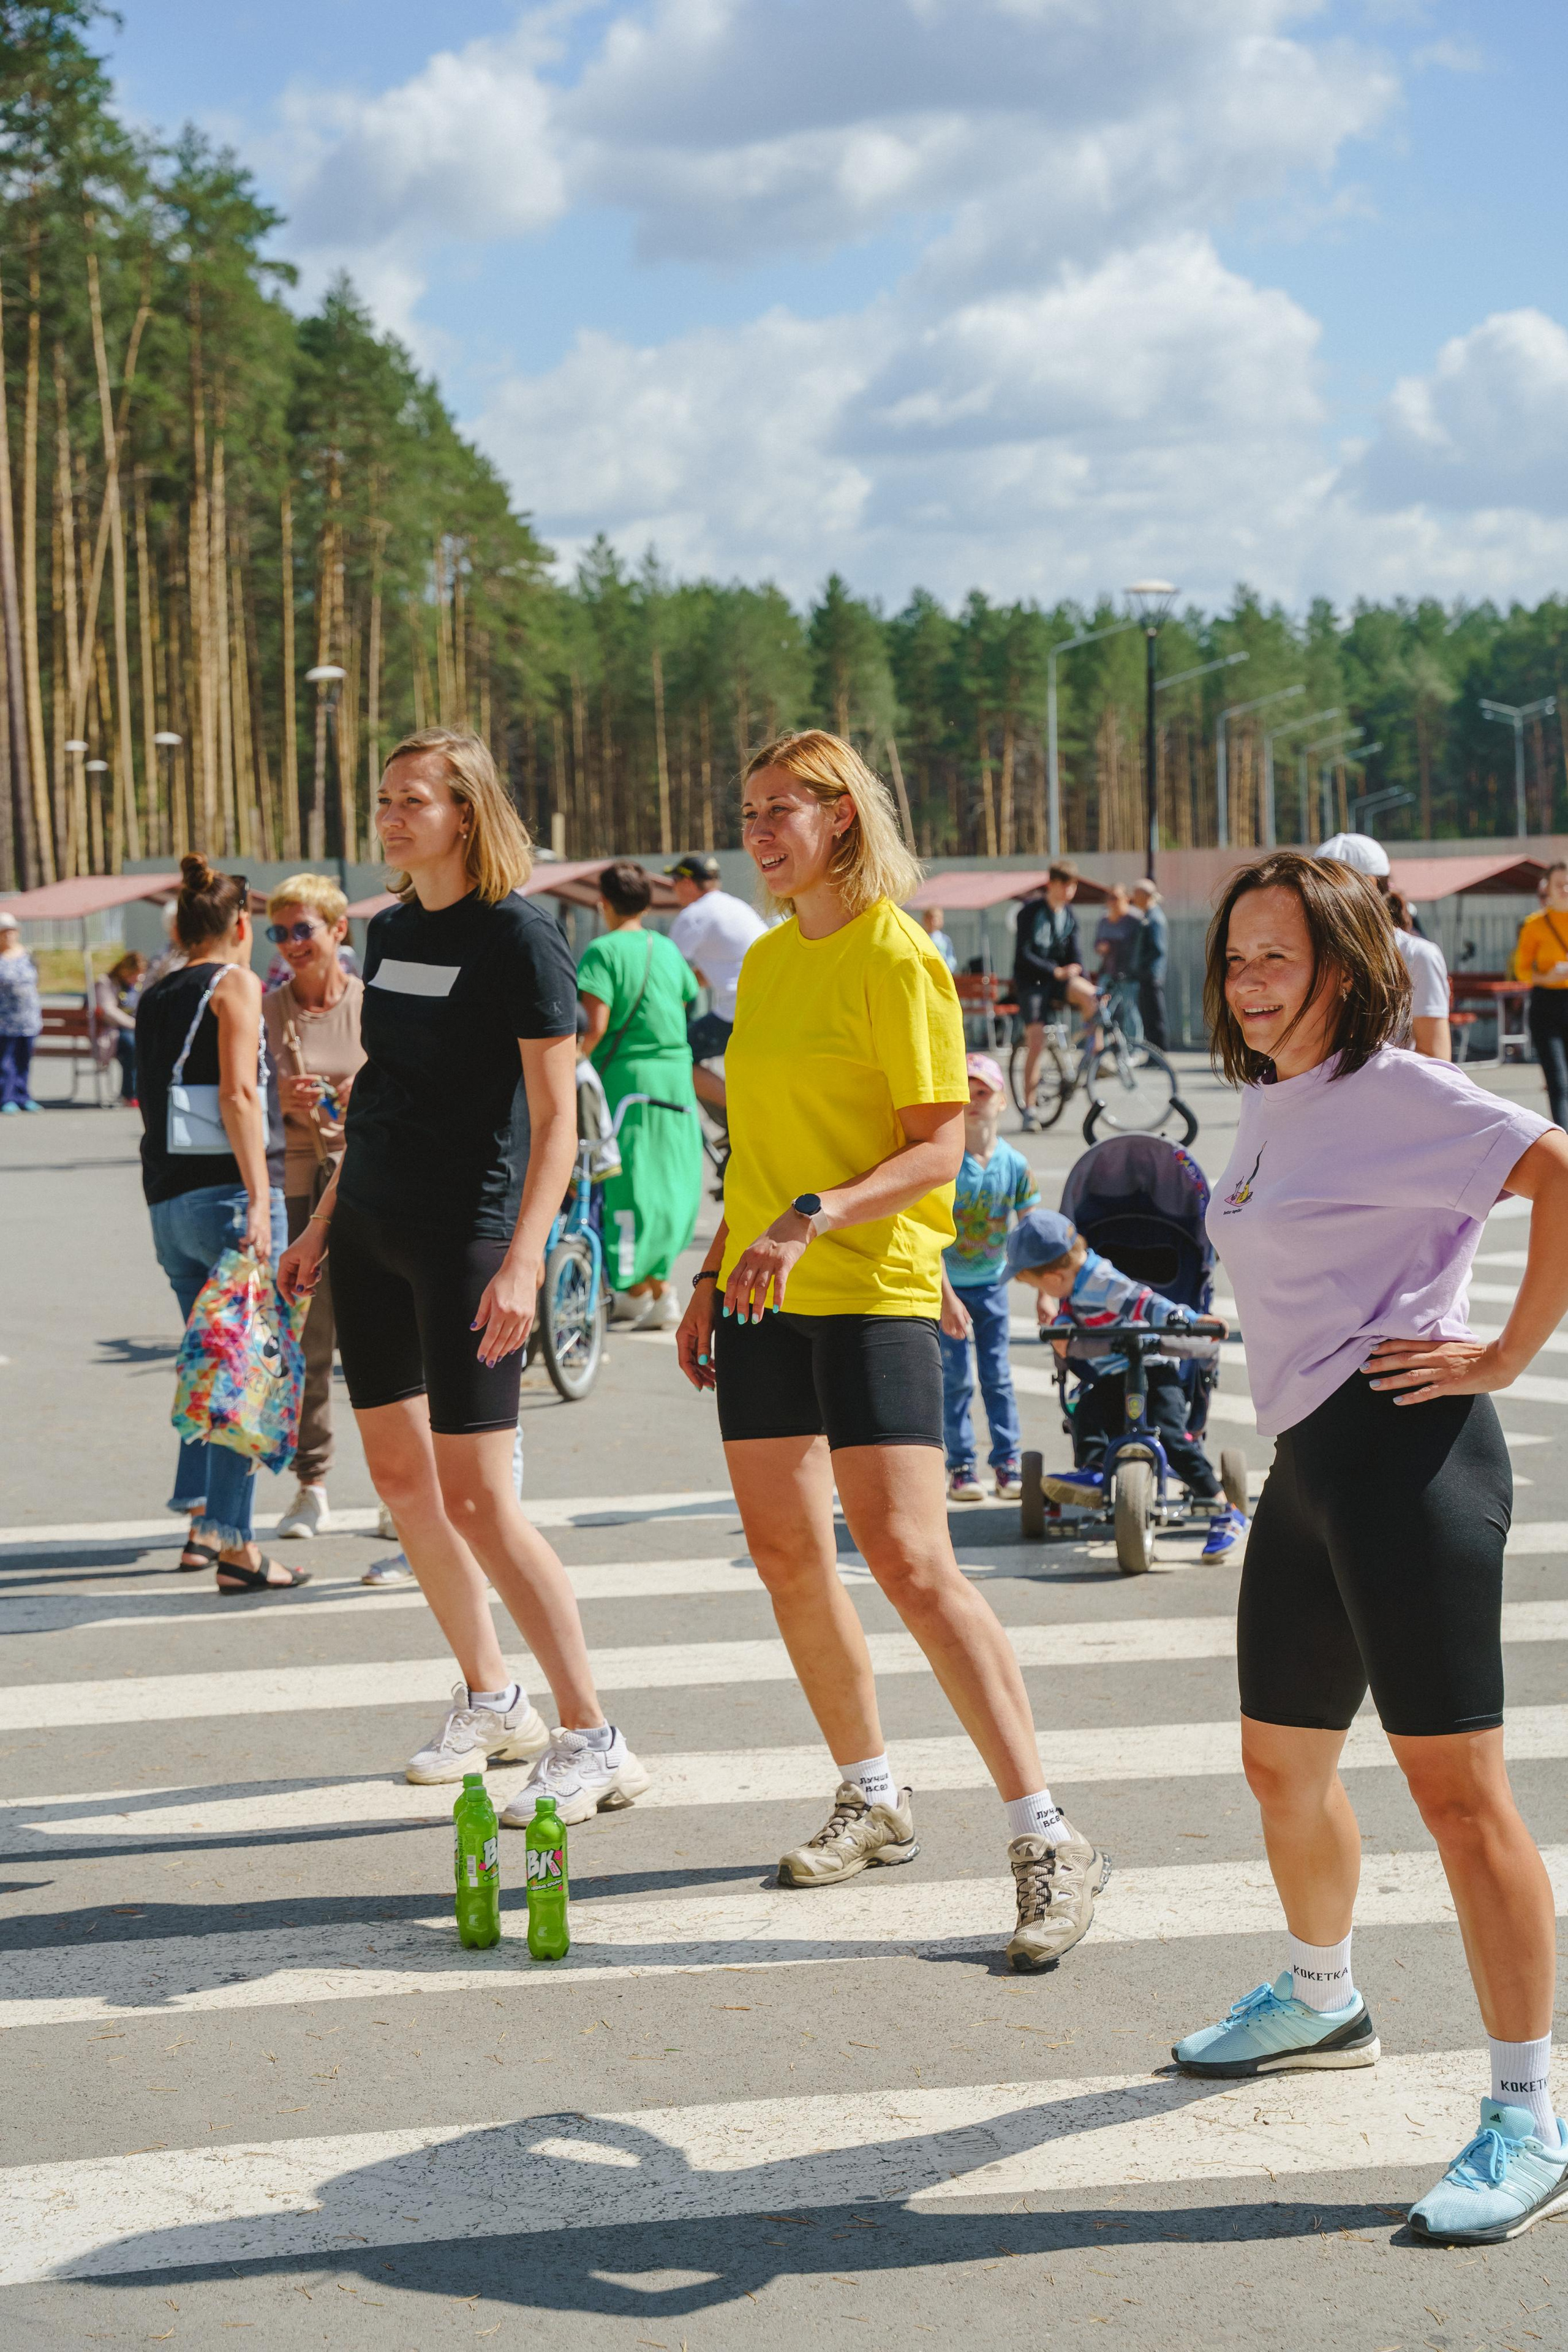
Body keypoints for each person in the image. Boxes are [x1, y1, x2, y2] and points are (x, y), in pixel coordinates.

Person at [1170, 848, 1568, 2248]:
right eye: (1234, 958)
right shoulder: (1272, 1094)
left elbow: (1556, 1167)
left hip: (1408, 1461)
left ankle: (1528, 2109)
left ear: (1345, 964)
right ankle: (1320, 1989)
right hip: (1305, 1467)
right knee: (1277, 1760)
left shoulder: (1397, 1091)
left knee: (1460, 1803)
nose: (1249, 980)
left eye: (1274, 955)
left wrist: (1503, 1349)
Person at [676, 728, 1110, 1973]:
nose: (759, 834)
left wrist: (814, 1217)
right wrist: (716, 1266)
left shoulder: (898, 955)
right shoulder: (762, 965)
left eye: (781, 812)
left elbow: (937, 1149)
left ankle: (1044, 1835)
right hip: (761, 1288)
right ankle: (870, 1795)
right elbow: (754, 1148)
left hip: (867, 1285)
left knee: (914, 1563)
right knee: (783, 1555)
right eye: (748, 811)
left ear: (842, 821)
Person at [277, 728, 647, 1822]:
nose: (390, 815)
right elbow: (385, 1091)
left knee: (483, 1499)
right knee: (403, 1488)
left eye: (413, 799)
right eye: (384, 798)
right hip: (372, 1230)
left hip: (471, 1240)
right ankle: (495, 1698)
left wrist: (527, 1258)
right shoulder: (387, 932)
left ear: (467, 813)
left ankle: (596, 1734)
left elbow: (554, 1123)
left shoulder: (523, 940)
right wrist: (325, 1224)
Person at [134, 855, 305, 1591]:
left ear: (180, 925)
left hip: (168, 1201)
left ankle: (203, 1526)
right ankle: (234, 1543)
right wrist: (262, 1196)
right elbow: (239, 1093)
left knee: (210, 1364)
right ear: (241, 926)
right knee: (244, 1371)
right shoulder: (233, 983)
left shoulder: (157, 990)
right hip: (228, 1198)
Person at [1005, 1208, 1240, 1559]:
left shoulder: (1102, 1281)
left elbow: (1149, 1304)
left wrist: (1191, 1320)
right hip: (1115, 1374)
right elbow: (1073, 1309)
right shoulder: (1077, 1281)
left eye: (1039, 1287)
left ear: (1054, 1278)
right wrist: (1064, 1323)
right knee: (1088, 1410)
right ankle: (1096, 1471)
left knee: (1172, 1435)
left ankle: (1226, 1510)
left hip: (1154, 1369)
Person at [260, 874, 366, 1542]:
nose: (293, 944)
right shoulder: (271, 1009)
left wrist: (372, 1091)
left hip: (370, 1181)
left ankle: (401, 1491)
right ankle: (312, 1484)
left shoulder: (372, 1004)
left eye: (304, 929)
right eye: (280, 933)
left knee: (389, 1336)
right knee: (310, 1339)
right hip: (304, 1180)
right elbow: (238, 1101)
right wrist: (283, 1103)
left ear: (337, 931)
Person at [578, 860, 704, 1332]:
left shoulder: (601, 951)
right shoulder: (668, 949)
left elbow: (596, 1026)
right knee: (672, 1180)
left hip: (625, 1078)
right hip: (675, 1075)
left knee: (625, 1179)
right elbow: (689, 995)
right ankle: (654, 1285)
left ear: (603, 903)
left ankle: (640, 1287)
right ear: (649, 904)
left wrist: (572, 1064)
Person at [939, 1052, 1038, 1503]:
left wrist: (1044, 1290)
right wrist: (945, 1297)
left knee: (997, 1376)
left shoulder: (1014, 1164)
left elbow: (1033, 1229)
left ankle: (1008, 1463)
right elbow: (928, 1236)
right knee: (956, 1378)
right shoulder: (943, 1164)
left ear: (1001, 1102)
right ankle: (961, 1467)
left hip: (994, 1287)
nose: (974, 1102)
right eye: (965, 1094)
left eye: (984, 1093)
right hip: (949, 1290)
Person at [1317, 831, 1450, 1058]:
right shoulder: (1310, 952)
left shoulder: (1416, 955)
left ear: (1368, 886)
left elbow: (1435, 1055)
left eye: (1326, 886)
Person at [665, 850, 767, 1115]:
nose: (673, 890)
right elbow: (713, 972)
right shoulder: (735, 906)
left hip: (739, 1011)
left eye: (674, 883)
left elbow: (665, 974)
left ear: (687, 883)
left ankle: (742, 1114)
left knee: (679, 1058)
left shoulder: (695, 915)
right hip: (765, 1007)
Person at [1011, 861, 1098, 1130]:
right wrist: (1056, 970)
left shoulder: (1069, 914)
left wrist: (1079, 977)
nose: (1070, 891)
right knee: (1035, 1042)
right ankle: (1030, 1109)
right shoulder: (1030, 912)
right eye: (1065, 885)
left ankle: (1095, 1055)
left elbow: (1077, 956)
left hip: (1059, 980)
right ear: (1052, 885)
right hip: (1032, 982)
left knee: (1094, 997)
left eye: (1073, 886)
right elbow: (1023, 955)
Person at [1513, 857, 1568, 1129]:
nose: (1565, 889)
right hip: (1547, 1003)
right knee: (1558, 1080)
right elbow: (1520, 970)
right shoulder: (1535, 924)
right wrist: (1546, 976)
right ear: (1548, 887)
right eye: (1560, 884)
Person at [0, 911, 43, 1112]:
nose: (8, 936)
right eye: (3, 932)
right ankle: (6, 1097)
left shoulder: (28, 954)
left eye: (11, 931)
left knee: (24, 1059)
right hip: (4, 1019)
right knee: (5, 1061)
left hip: (28, 1018)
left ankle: (22, 1095)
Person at [92, 951, 146, 1105]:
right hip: (112, 1030)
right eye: (135, 975)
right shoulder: (107, 983)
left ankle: (142, 1091)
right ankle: (130, 1093)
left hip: (133, 1028)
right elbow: (109, 1011)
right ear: (126, 971)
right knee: (131, 1045)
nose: (138, 979)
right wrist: (133, 1024)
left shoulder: (139, 985)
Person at [1094, 883, 1144, 1039]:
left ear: (1126, 899)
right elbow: (1097, 943)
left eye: (1116, 898)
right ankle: (1104, 1046)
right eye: (1110, 898)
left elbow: (1140, 947)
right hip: (1108, 972)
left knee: (1130, 1011)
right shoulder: (1104, 920)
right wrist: (1101, 947)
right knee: (1102, 1010)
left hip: (1129, 974)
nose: (1112, 902)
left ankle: (1134, 1047)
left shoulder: (1135, 920)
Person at [1129, 878, 1170, 1050]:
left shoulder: (1155, 919)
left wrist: (1141, 968)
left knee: (1154, 1016)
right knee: (1149, 1015)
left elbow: (1157, 949)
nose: (1134, 898)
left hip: (1151, 975)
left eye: (1137, 894)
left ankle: (1157, 1052)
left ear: (1146, 896)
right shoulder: (1149, 916)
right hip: (1148, 974)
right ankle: (1153, 1053)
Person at [919, 904, 958, 973]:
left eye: (936, 919)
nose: (933, 922)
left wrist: (947, 967)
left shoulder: (945, 940)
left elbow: (951, 957)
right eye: (930, 919)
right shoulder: (921, 937)